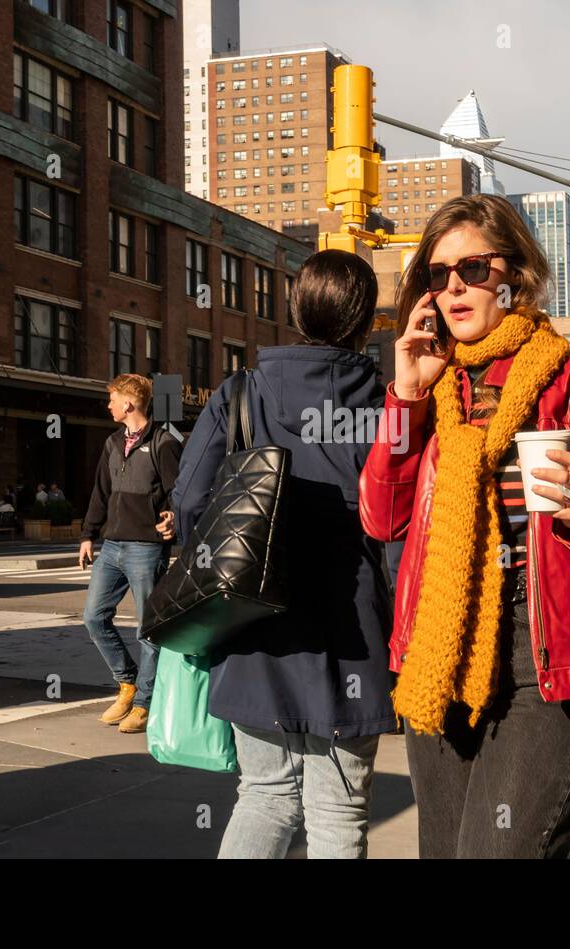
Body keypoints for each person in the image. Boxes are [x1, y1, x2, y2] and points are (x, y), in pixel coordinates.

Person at [358, 194, 570, 858]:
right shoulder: (429, 387)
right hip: (440, 651)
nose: (453, 287)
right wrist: (406, 394)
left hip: (549, 659)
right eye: (436, 274)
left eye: (472, 268)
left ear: (516, 271)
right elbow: (382, 517)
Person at [174, 250, 396, 859]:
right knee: (339, 812)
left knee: (266, 795)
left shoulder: (240, 392)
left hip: (255, 624)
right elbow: (404, 523)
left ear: (295, 309)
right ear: (364, 320)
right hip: (356, 628)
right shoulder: (387, 403)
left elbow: (191, 499)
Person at [79, 374, 181, 734]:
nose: (108, 405)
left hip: (146, 547)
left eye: (112, 399)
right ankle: (128, 682)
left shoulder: (163, 443)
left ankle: (144, 703)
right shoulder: (111, 443)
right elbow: (100, 493)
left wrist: (173, 518)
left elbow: (179, 493)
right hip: (112, 545)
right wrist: (89, 535)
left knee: (147, 629)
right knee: (93, 616)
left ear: (129, 404)